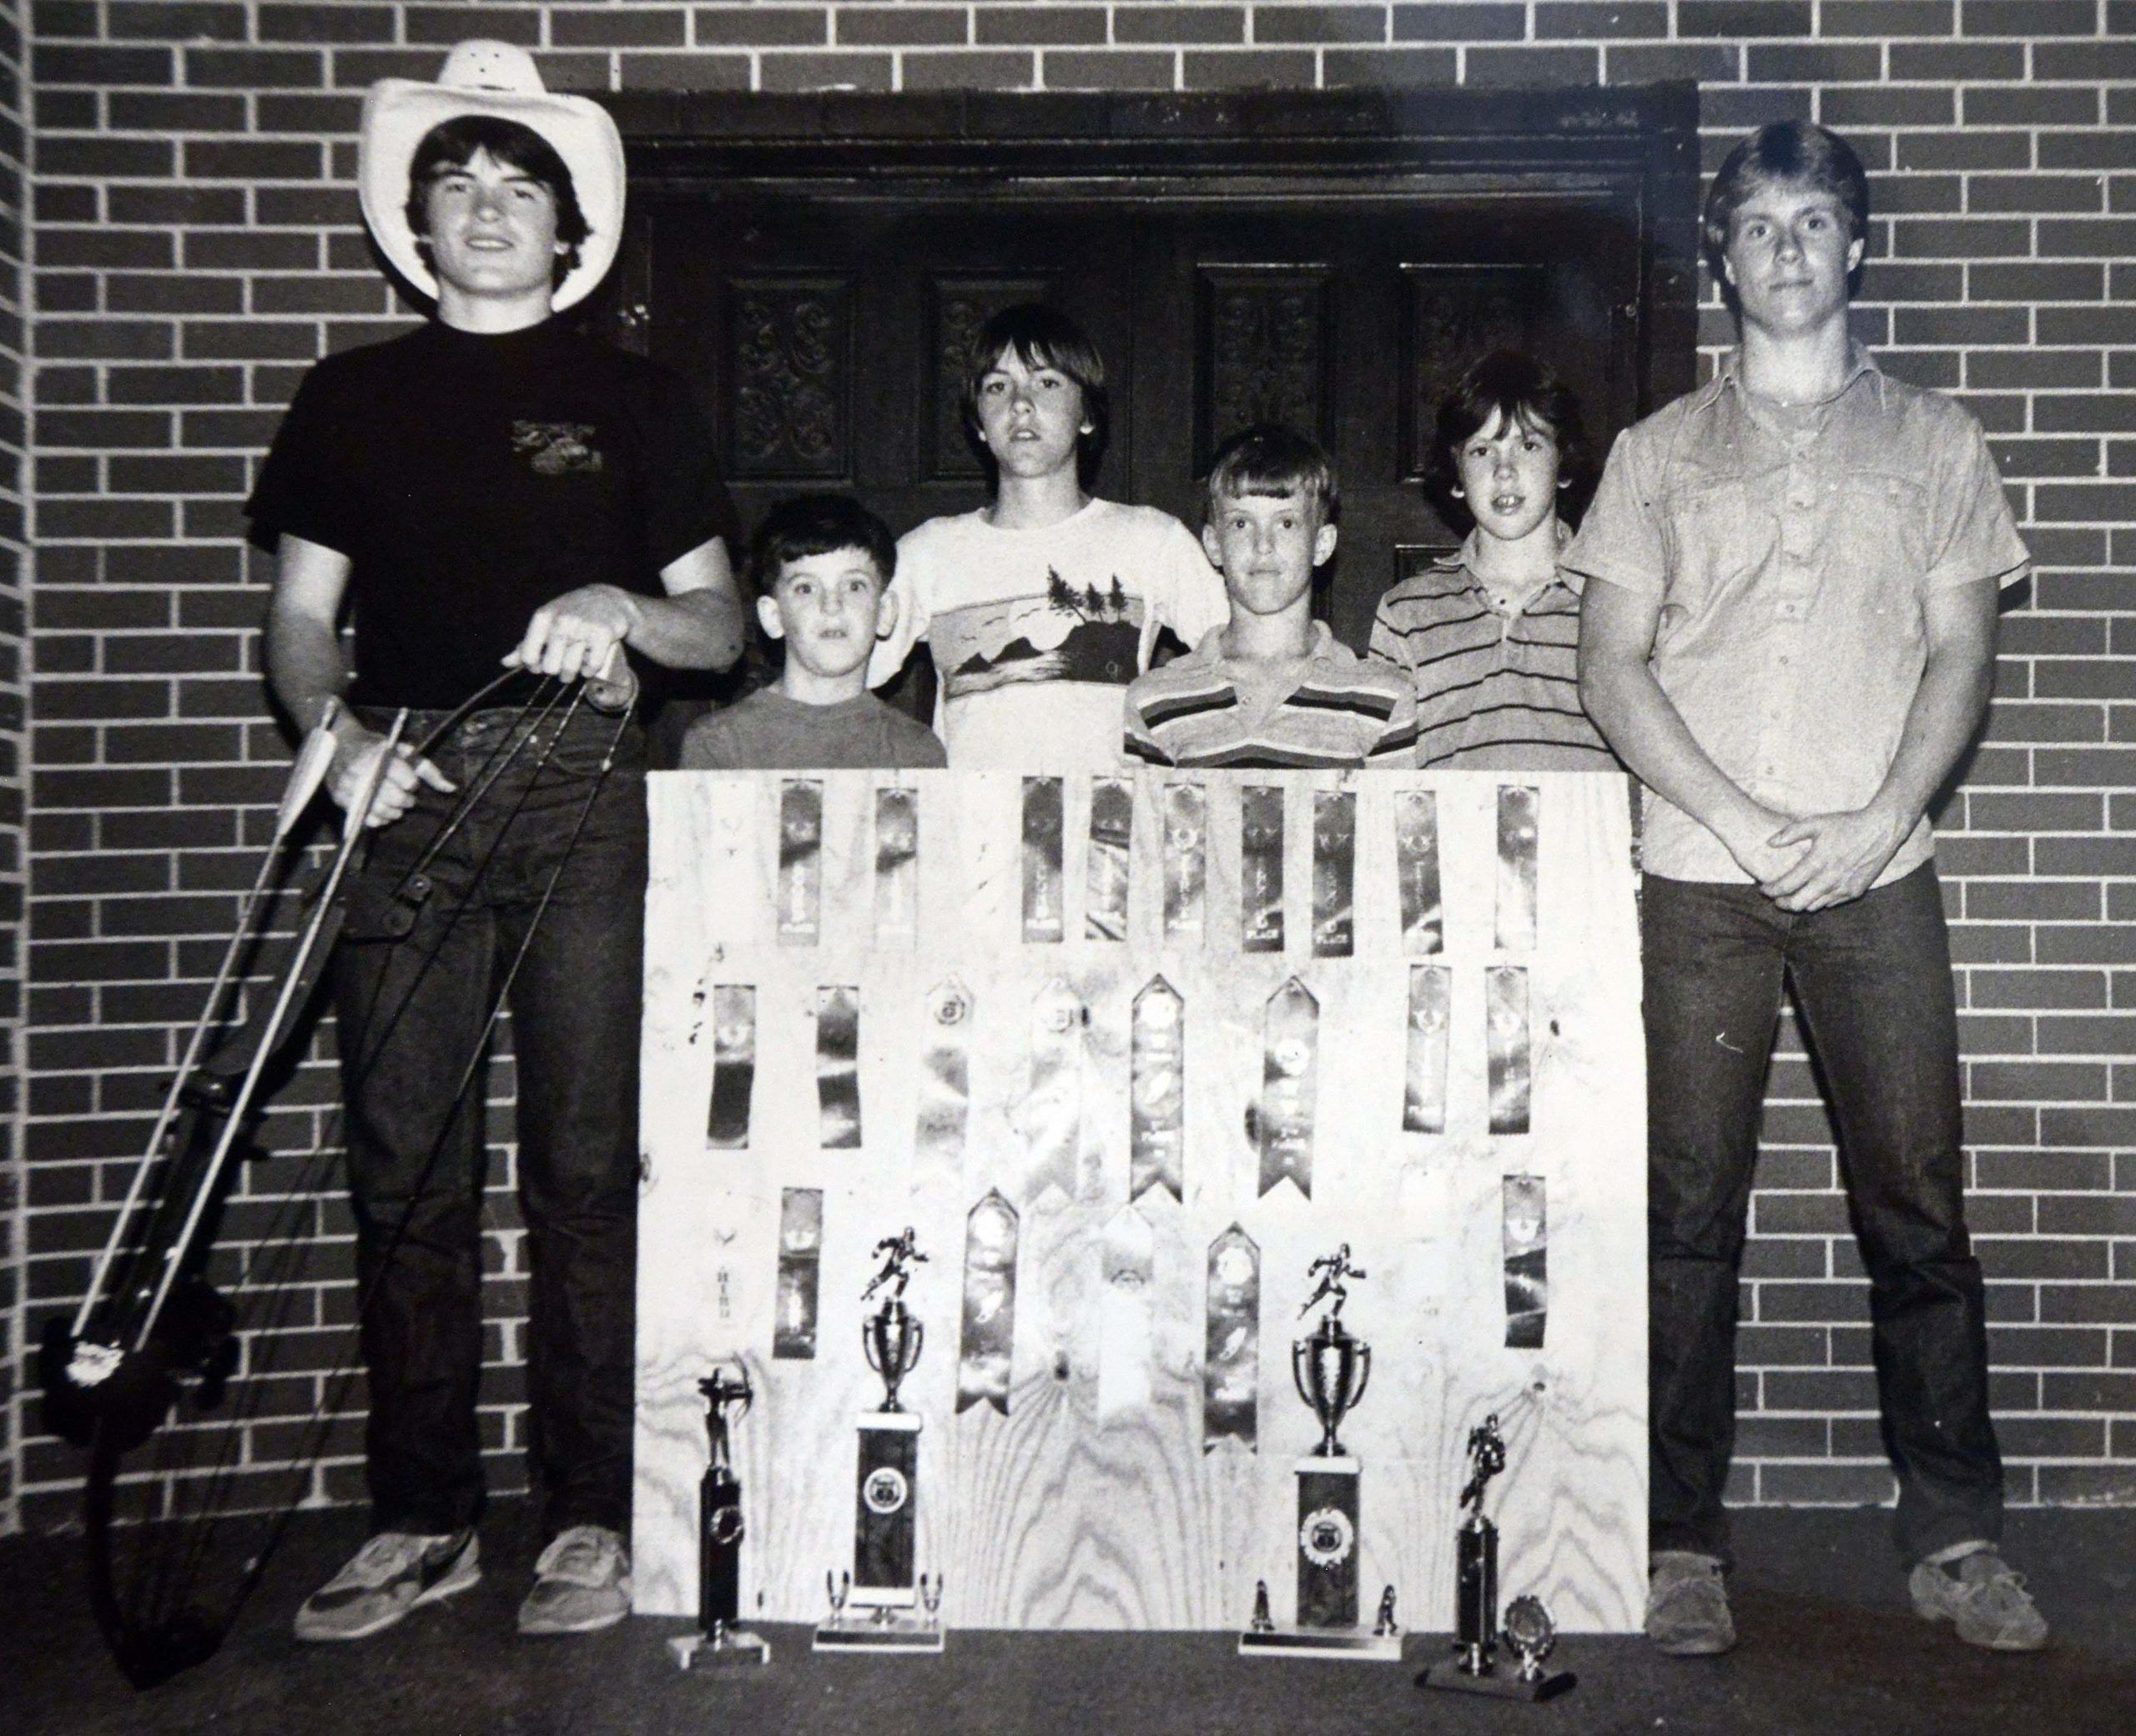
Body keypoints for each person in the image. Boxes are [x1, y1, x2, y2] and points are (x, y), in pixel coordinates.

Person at [248, 42, 745, 1643]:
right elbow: (302, 621)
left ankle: (589, 1514)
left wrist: (622, 605)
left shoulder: (638, 398)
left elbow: (719, 624)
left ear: (566, 230)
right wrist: (337, 740)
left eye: (517, 187)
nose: (484, 208)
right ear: (416, 221)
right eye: (455, 184)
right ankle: (422, 1519)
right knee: (404, 1163)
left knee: (585, 1163)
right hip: (401, 790)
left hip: (581, 790)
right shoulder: (350, 396)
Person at [1570, 121, 2044, 1658]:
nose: (1788, 250)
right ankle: (1678, 1543)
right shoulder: (1656, 453)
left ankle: (1956, 1536)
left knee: (1919, 1206)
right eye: (1760, 225)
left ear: (1859, 247)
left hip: (1878, 874)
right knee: (1687, 1213)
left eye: (1816, 221)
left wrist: (1881, 816)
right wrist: (1739, 814)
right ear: (1723, 256)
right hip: (1701, 878)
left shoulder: (1938, 443)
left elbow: (1964, 653)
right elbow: (1610, 667)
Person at [866, 303, 1228, 769]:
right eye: (998, 386)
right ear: (978, 423)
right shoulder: (928, 553)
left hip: (1111, 813)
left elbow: (1245, 659)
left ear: (1087, 414)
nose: (1020, 403)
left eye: (1047, 383)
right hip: (972, 814)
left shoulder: (1152, 541)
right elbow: (837, 676)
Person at [1368, 350, 1617, 770]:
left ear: (1563, 464)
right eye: (1482, 451)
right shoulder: (1406, 612)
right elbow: (1387, 777)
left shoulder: (1614, 602)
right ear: (1457, 477)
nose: (1505, 470)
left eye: (1529, 445)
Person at [1122, 425, 1417, 768]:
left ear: (1322, 544)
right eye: (1241, 523)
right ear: (1214, 544)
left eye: (1286, 523)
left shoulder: (1383, 697)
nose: (1263, 545)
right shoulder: (1154, 700)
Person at [680, 495, 947, 770]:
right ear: (773, 617)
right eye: (806, 588)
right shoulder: (718, 743)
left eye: (854, 586)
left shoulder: (915, 750)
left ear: (886, 612)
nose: (832, 606)